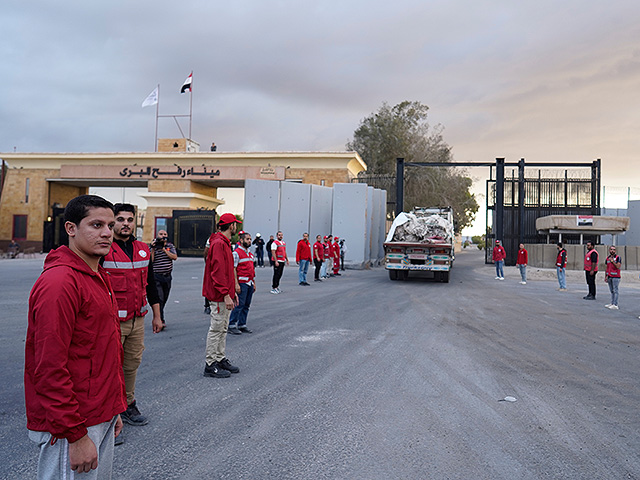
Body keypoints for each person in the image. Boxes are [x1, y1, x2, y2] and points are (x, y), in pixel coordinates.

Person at [25, 194, 127, 478]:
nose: (107, 233)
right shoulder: (60, 282)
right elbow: (48, 367)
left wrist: (113, 409)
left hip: (99, 414)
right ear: (71, 228)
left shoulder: (96, 275)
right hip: (73, 425)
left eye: (110, 225)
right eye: (96, 225)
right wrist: (75, 434)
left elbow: (100, 352)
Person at [102, 203, 163, 428]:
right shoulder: (103, 249)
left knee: (131, 364)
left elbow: (151, 284)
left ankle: (127, 404)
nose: (125, 224)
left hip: (137, 319)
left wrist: (157, 316)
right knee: (108, 367)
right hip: (111, 322)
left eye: (129, 220)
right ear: (113, 222)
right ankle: (107, 414)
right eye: (120, 220)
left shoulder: (142, 249)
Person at [202, 213, 241, 378]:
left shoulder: (223, 242)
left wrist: (231, 293)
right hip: (219, 295)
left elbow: (227, 271)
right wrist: (225, 294)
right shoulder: (219, 243)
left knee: (223, 328)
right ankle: (210, 364)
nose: (236, 227)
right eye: (235, 224)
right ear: (231, 226)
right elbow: (217, 272)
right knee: (216, 328)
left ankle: (219, 358)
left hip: (224, 294)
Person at [228, 232, 256, 335]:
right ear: (241, 240)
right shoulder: (236, 253)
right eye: (247, 239)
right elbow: (233, 269)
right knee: (239, 304)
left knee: (246, 305)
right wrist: (236, 284)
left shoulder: (250, 253)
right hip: (242, 282)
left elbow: (252, 269)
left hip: (249, 282)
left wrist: (253, 282)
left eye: (250, 239)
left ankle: (242, 324)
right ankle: (231, 324)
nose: (249, 241)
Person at [150, 229, 178, 329]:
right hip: (156, 276)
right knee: (160, 298)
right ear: (157, 235)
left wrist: (164, 250)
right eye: (161, 234)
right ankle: (160, 319)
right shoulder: (153, 246)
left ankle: (159, 315)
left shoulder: (170, 246)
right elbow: (151, 261)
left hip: (167, 277)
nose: (163, 236)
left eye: (164, 234)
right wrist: (153, 249)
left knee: (165, 298)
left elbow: (174, 257)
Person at [604, 245, 622, 310]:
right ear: (609, 250)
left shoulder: (618, 258)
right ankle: (612, 303)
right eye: (611, 249)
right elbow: (607, 267)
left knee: (615, 290)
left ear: (615, 251)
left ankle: (615, 304)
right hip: (609, 276)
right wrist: (606, 276)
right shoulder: (607, 258)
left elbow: (618, 266)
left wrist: (613, 262)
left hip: (616, 276)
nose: (612, 251)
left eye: (614, 249)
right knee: (611, 290)